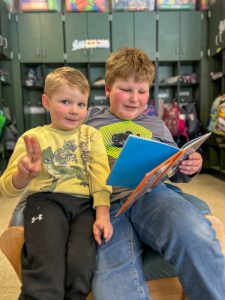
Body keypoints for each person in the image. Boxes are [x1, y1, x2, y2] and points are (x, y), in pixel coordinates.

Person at [85, 48, 225, 300]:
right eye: (125, 90)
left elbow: (173, 166)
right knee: (113, 285)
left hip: (151, 196)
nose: (134, 98)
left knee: (197, 233)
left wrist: (189, 165)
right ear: (107, 89)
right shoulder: (88, 119)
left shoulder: (156, 125)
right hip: (105, 205)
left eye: (141, 91)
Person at [0, 66, 113, 300]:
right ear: (46, 101)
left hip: (84, 207)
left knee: (81, 267)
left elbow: (101, 178)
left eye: (81, 104)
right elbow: (6, 187)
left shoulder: (91, 135)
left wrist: (102, 214)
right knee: (46, 266)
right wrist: (24, 175)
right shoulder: (32, 138)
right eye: (65, 102)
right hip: (45, 202)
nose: (74, 111)